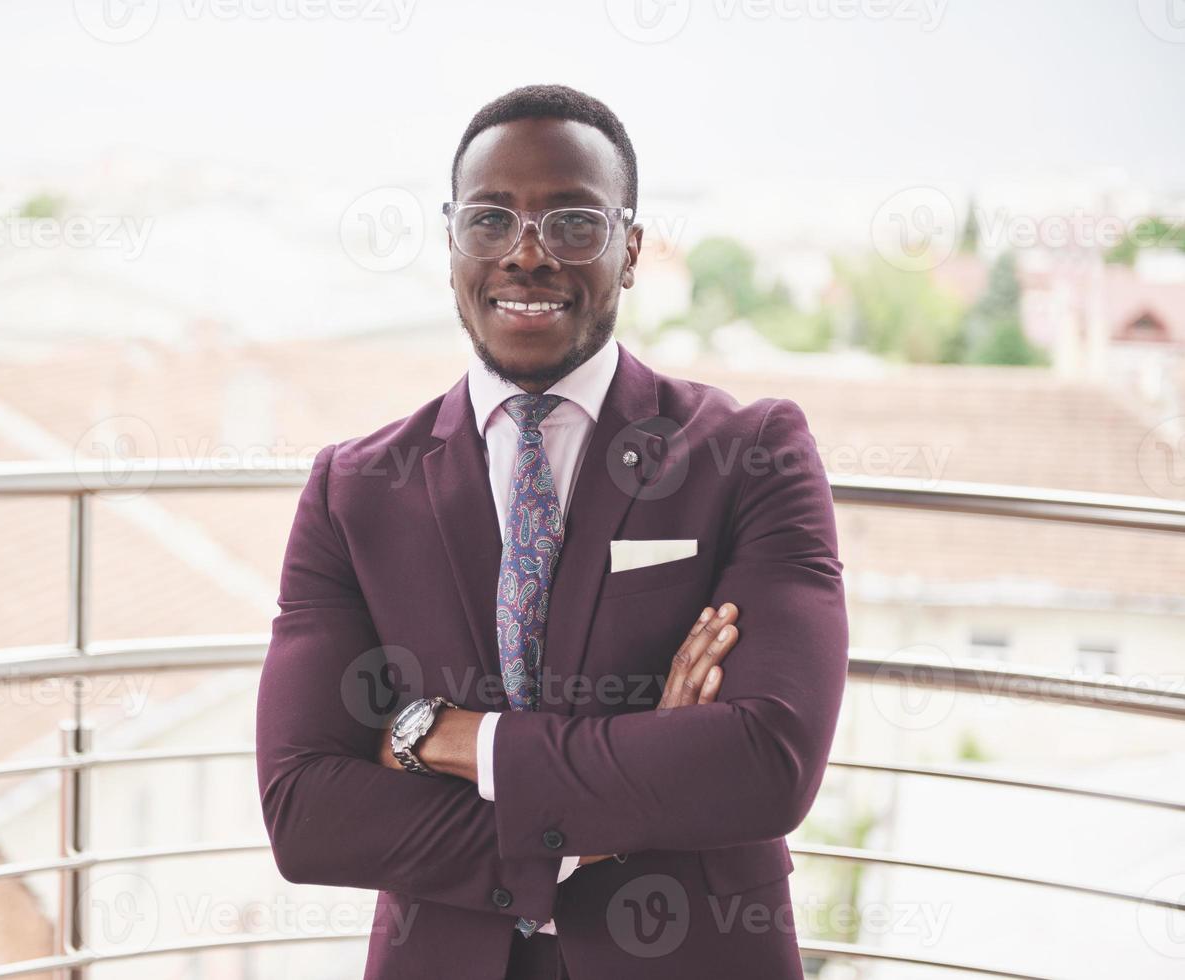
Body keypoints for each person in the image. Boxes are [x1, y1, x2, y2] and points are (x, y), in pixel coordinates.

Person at [256, 83, 848, 979]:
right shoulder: (354, 490)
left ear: (632, 248)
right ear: (452, 241)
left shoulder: (751, 454)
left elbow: (765, 761)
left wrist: (439, 736)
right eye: (490, 220)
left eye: (573, 223)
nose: (525, 256)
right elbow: (304, 810)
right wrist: (619, 796)